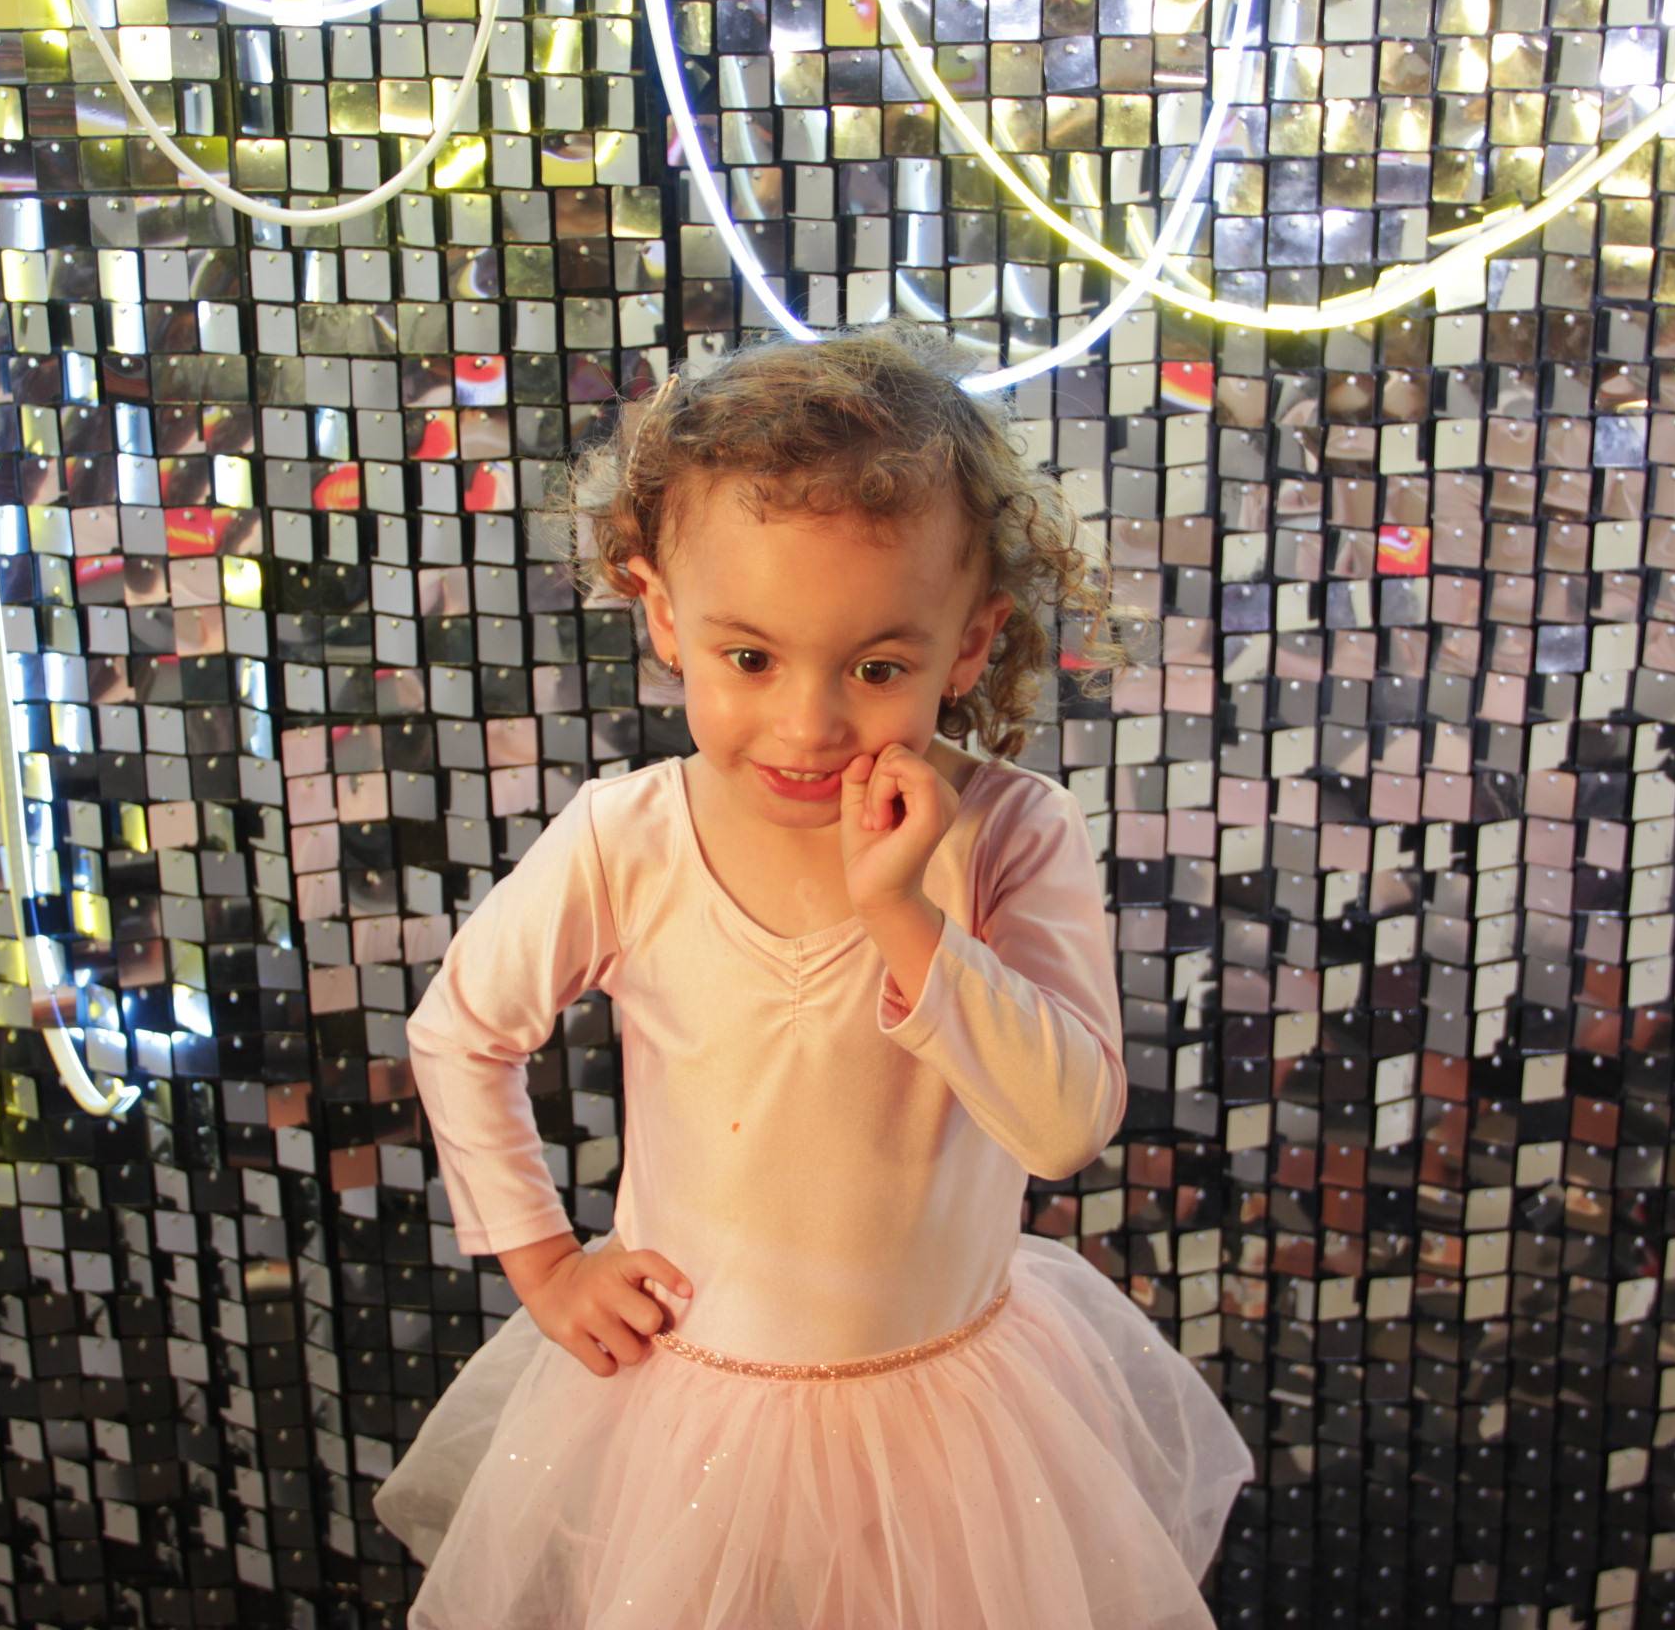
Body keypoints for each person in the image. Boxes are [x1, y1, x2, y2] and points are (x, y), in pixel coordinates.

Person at [371, 324, 1253, 1627]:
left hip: (952, 1423)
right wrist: (547, 1265)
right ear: (665, 619)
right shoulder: (625, 842)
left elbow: (1064, 1126)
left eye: (879, 668)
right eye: (751, 658)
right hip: (692, 1409)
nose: (809, 724)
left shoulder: (1013, 835)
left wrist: (900, 909)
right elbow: (460, 1033)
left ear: (969, 644)